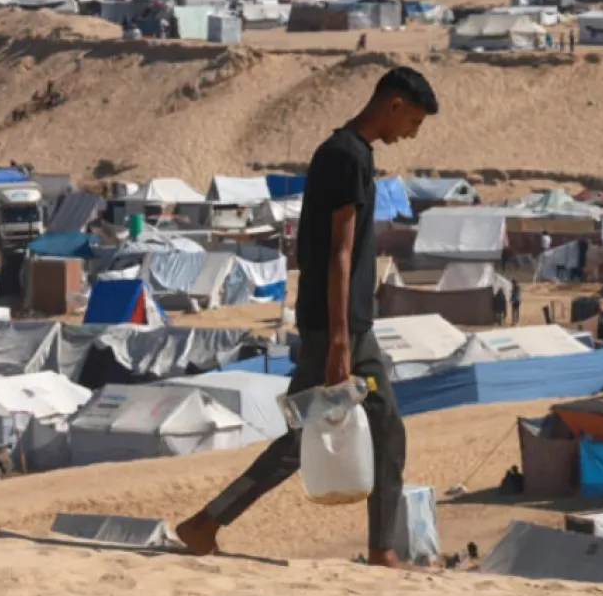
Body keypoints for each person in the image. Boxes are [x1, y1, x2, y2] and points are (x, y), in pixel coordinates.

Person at [176, 67, 439, 570]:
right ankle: (380, 549)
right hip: (341, 328)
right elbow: (340, 253)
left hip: (340, 322)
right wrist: (340, 338)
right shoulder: (347, 157)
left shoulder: (346, 153)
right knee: (348, 433)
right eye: (415, 122)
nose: (412, 133)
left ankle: (207, 523)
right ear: (396, 104)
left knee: (346, 432)